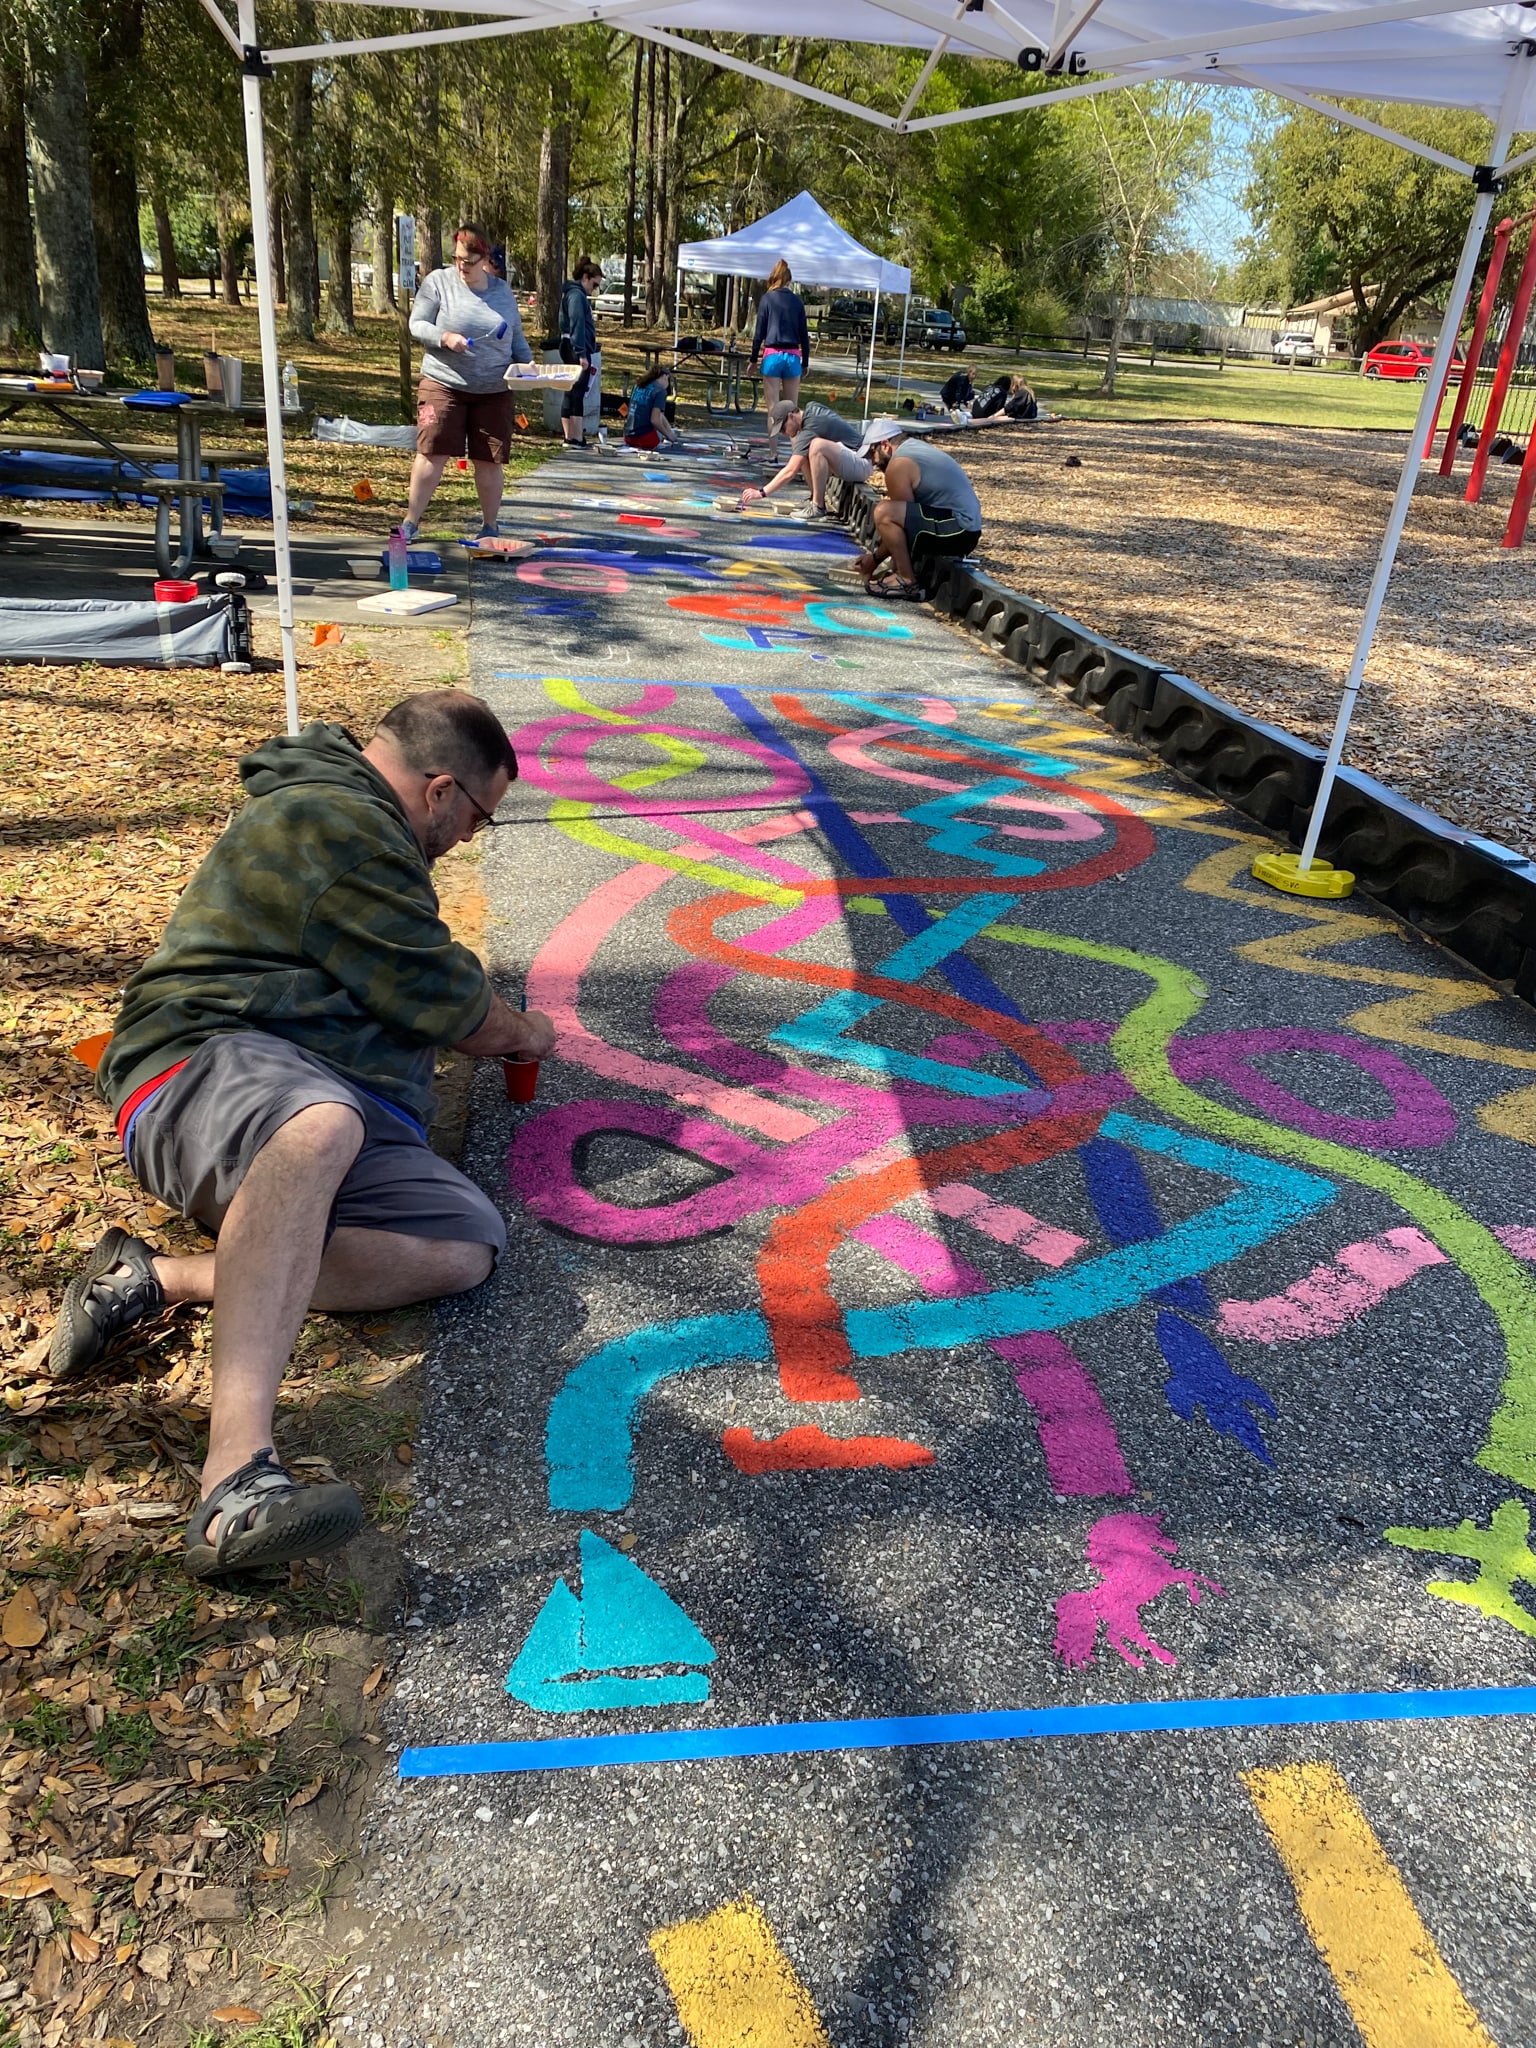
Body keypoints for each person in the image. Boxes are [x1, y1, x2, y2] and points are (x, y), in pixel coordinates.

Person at [49, 692, 556, 1580]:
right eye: (481, 815)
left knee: (460, 1249)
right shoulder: (336, 823)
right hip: (201, 1065)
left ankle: (156, 1280)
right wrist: (528, 1033)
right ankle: (235, 1479)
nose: (474, 838)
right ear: (440, 791)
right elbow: (454, 1007)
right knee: (316, 1128)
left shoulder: (361, 828)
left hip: (325, 1093)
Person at [403, 223, 532, 543]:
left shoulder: (501, 292)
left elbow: (515, 336)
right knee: (432, 450)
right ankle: (410, 522)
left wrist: (528, 365)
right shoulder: (438, 283)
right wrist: (444, 337)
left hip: (494, 390)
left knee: (489, 459)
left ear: (485, 259)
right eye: (457, 258)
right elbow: (416, 324)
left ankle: (490, 526)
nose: (462, 266)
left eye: (469, 261)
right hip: (443, 383)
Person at [854, 419, 983, 601]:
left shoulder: (898, 464)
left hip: (958, 529)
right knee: (890, 513)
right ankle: (899, 574)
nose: (873, 463)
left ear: (885, 445)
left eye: (872, 454)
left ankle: (906, 582)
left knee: (883, 511)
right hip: (966, 529)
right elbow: (907, 521)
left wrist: (874, 560)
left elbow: (901, 526)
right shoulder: (915, 448)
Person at [737, 399, 866, 522]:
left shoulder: (811, 427)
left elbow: (790, 471)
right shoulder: (810, 411)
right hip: (852, 459)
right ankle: (814, 499)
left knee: (816, 446)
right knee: (802, 454)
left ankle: (818, 507)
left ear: (791, 415)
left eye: (782, 428)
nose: (783, 433)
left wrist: (761, 493)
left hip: (862, 462)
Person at [750, 260, 810, 445]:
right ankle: (796, 453)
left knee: (773, 408)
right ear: (789, 280)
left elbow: (759, 332)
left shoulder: (767, 299)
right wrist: (805, 362)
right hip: (792, 356)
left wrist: (753, 359)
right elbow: (804, 335)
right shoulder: (797, 301)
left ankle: (773, 453)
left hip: (772, 355)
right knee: (793, 410)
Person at [558, 255, 603, 449]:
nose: (595, 290)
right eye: (594, 284)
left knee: (571, 390)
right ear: (585, 277)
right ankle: (576, 437)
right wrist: (582, 353)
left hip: (569, 345)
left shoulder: (573, 293)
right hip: (575, 347)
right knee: (578, 391)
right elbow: (577, 324)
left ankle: (570, 436)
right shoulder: (576, 295)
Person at [625, 365, 682, 450]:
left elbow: (660, 415)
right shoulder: (660, 391)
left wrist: (670, 432)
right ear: (665, 376)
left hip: (628, 437)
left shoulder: (638, 385)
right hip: (646, 439)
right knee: (660, 431)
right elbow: (655, 420)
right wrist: (669, 435)